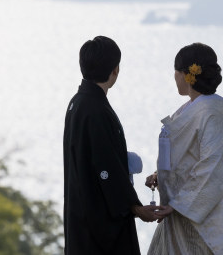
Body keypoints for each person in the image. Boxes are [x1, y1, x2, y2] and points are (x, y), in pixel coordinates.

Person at [145, 43, 223, 255]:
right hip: (177, 212)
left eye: (175, 71)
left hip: (196, 221)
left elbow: (211, 167)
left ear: (186, 74)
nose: (174, 77)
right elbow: (187, 159)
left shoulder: (209, 115)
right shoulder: (193, 111)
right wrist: (161, 174)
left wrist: (178, 204)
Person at [63, 35, 163, 254]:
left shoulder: (78, 102)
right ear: (115, 69)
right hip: (98, 222)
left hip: (80, 211)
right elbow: (105, 164)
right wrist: (136, 207)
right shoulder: (96, 110)